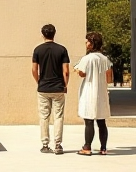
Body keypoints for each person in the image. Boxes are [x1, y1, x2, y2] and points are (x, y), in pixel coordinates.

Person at [31, 23, 70, 155]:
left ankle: (45, 144)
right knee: (58, 116)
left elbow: (34, 69)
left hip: (43, 88)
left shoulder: (37, 50)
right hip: (58, 87)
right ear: (54, 33)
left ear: (43, 34)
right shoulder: (62, 49)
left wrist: (39, 81)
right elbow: (66, 71)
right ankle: (58, 144)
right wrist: (65, 85)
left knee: (44, 116)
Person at [75, 31, 113, 155]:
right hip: (101, 92)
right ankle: (103, 148)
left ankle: (87, 147)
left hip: (89, 91)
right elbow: (109, 78)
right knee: (102, 122)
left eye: (87, 41)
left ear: (91, 43)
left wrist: (78, 71)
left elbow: (82, 73)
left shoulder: (87, 59)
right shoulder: (105, 59)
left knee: (89, 121)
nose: (86, 43)